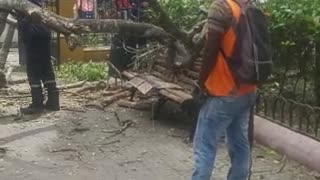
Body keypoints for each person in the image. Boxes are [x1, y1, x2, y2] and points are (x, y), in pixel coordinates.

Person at [191, 0, 257, 179]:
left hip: (224, 92)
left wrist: (200, 83)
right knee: (240, 145)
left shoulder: (222, 7)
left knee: (205, 147)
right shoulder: (251, 7)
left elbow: (210, 50)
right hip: (248, 90)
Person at [18, 0, 60, 114]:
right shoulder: (42, 7)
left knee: (33, 73)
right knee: (47, 70)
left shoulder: (27, 6)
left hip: (32, 35)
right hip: (44, 34)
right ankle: (54, 102)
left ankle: (37, 104)